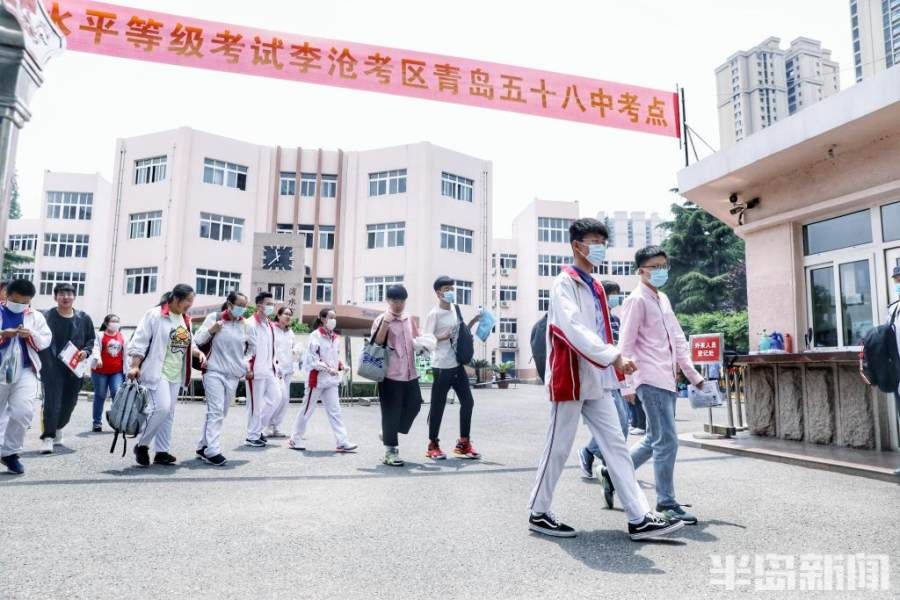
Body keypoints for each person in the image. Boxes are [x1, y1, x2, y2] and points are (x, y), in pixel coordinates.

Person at [527, 218, 684, 541]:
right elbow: (572, 328)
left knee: (616, 446)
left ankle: (639, 517)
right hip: (569, 378)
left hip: (597, 379)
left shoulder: (596, 285)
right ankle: (539, 512)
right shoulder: (563, 283)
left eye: (603, 241)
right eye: (594, 241)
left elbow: (602, 330)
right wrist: (612, 356)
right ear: (577, 246)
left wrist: (613, 367)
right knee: (558, 448)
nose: (600, 247)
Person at [615, 245, 705, 526]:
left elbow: (678, 339)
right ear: (640, 270)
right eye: (654, 267)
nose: (660, 271)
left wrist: (693, 375)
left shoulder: (663, 298)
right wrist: (627, 385)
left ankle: (612, 472)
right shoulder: (636, 300)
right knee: (667, 440)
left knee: (656, 437)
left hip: (667, 377)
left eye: (663, 266)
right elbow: (625, 346)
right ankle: (666, 503)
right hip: (648, 377)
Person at [126, 284, 206, 467]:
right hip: (156, 370)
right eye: (188, 301)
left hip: (175, 372)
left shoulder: (185, 319)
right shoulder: (154, 315)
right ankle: (142, 445)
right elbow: (140, 341)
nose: (189, 305)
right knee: (161, 408)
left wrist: (198, 353)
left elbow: (189, 343)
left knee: (168, 413)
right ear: (176, 299)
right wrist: (135, 366)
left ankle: (162, 452)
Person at [422, 276, 482, 460]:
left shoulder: (456, 309)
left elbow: (461, 330)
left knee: (468, 402)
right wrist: (441, 336)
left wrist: (475, 320)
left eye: (451, 288)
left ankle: (463, 443)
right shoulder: (434, 314)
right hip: (441, 366)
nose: (450, 292)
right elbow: (426, 341)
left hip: (457, 364)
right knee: (438, 406)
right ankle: (432, 445)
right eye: (446, 288)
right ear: (438, 292)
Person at [370, 284, 431, 466]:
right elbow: (377, 343)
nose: (398, 304)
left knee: (415, 405)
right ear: (388, 301)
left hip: (410, 372)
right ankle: (391, 451)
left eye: (401, 301)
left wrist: (423, 345)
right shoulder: (381, 319)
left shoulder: (408, 319)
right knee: (391, 412)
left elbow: (415, 339)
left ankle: (389, 432)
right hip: (390, 374)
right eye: (395, 301)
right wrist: (386, 322)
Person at [193, 291, 254, 466]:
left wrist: (246, 363)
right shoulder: (215, 317)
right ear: (229, 304)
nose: (242, 309)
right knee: (216, 411)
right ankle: (212, 450)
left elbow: (251, 349)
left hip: (233, 374)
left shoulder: (246, 326)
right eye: (239, 305)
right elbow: (197, 340)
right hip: (213, 370)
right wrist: (212, 330)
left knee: (221, 412)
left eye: (244, 306)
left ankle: (202, 446)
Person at [578, 281, 631, 481]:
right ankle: (599, 458)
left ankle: (593, 453)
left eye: (618, 294)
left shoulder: (615, 320)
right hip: (601, 377)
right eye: (613, 294)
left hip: (617, 376)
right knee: (618, 423)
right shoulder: (594, 318)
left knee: (623, 422)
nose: (616, 298)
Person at [0, 279, 52, 474]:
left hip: (24, 369)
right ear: (7, 294)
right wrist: (3, 334)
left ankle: (10, 453)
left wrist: (30, 335)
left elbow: (45, 340)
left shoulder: (35, 316)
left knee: (23, 411)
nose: (20, 305)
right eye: (16, 300)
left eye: (25, 302)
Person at [288, 308, 357, 453]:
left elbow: (334, 358)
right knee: (307, 410)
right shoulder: (315, 336)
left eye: (334, 317)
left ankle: (342, 441)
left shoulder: (335, 338)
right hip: (316, 380)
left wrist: (342, 365)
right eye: (330, 317)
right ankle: (295, 438)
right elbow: (312, 360)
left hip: (331, 381)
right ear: (322, 318)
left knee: (335, 411)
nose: (333, 320)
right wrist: (327, 368)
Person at [39, 283, 95, 454]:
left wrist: (86, 352)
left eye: (69, 294)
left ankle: (58, 426)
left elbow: (90, 339)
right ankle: (48, 437)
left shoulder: (83, 318)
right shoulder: (45, 316)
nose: (66, 297)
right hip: (51, 366)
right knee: (52, 402)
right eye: (62, 294)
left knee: (69, 404)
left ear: (74, 297)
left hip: (74, 367)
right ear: (55, 297)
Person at [244, 292, 280, 447]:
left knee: (276, 398)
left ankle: (257, 430)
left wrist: (275, 368)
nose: (271, 306)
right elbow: (246, 348)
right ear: (259, 306)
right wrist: (247, 367)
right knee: (254, 405)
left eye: (272, 304)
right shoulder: (250, 323)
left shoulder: (269, 324)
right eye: (268, 304)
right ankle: (252, 436)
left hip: (269, 371)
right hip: (255, 371)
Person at [261, 306, 300, 439]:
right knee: (277, 398)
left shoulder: (290, 332)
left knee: (284, 400)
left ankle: (275, 427)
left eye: (290, 315)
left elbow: (294, 346)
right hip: (275, 370)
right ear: (278, 315)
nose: (288, 317)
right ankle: (261, 427)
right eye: (286, 314)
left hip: (288, 370)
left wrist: (296, 349)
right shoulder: (271, 328)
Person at [90, 314, 125, 433]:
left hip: (117, 371)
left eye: (117, 321)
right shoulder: (99, 335)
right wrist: (97, 358)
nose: (115, 323)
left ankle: (118, 421)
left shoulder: (122, 336)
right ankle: (97, 423)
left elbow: (127, 352)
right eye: (113, 321)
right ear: (106, 323)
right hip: (100, 372)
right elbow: (95, 348)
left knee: (117, 393)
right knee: (100, 395)